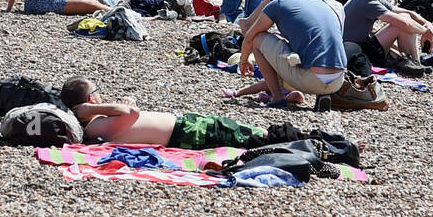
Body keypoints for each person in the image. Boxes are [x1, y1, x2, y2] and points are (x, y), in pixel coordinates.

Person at [63, 77, 282, 148]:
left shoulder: (100, 120)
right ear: (91, 99)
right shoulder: (94, 126)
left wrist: (123, 104)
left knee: (237, 129)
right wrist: (94, 109)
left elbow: (128, 113)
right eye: (97, 92)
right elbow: (131, 114)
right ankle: (291, 140)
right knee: (245, 136)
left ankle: (287, 137)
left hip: (186, 126)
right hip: (185, 135)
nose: (100, 96)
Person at [238, 0, 347, 108]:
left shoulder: (277, 4)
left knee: (257, 39)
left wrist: (244, 60)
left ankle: (277, 97)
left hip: (312, 79)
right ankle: (323, 94)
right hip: (338, 80)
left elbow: (250, 37)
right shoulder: (319, 5)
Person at [343, 0, 433, 78]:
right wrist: (425, 32)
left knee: (404, 19)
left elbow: (407, 12)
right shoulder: (367, 1)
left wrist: (427, 24)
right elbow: (404, 23)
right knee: (401, 25)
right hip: (356, 54)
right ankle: (415, 63)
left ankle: (415, 62)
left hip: (360, 47)